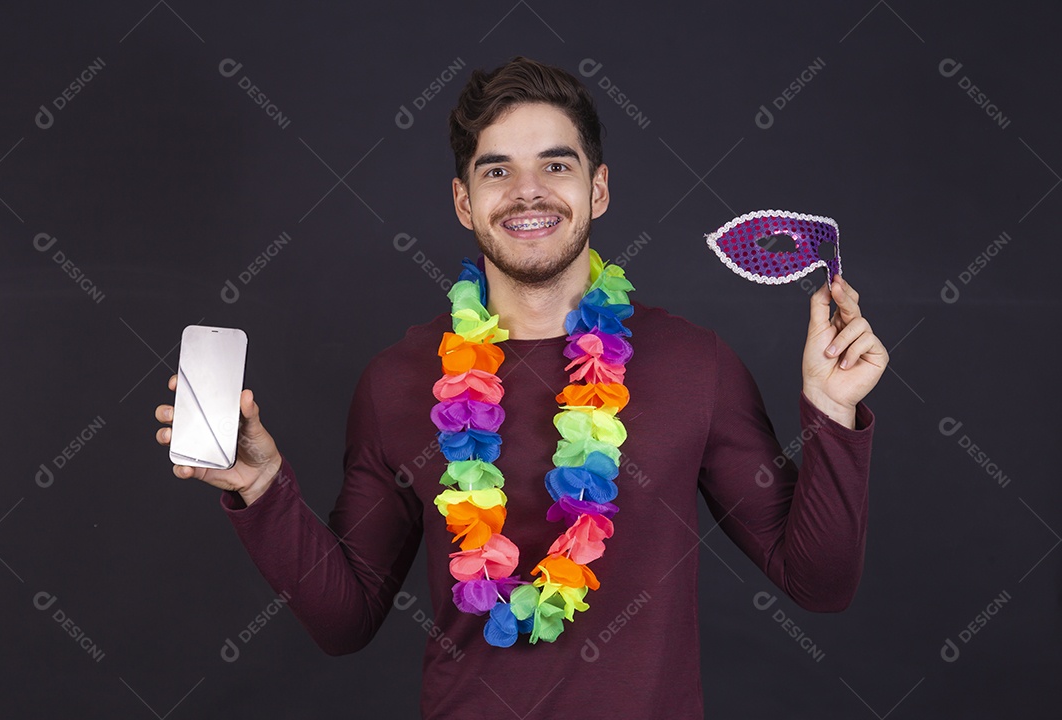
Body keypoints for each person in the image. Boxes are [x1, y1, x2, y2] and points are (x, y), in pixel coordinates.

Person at [154, 56, 887, 718]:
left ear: (598, 188)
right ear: (464, 202)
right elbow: (346, 623)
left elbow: (818, 584)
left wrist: (831, 411)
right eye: (497, 170)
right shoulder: (396, 381)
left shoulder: (695, 365)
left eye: (556, 166)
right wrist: (263, 486)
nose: (528, 192)